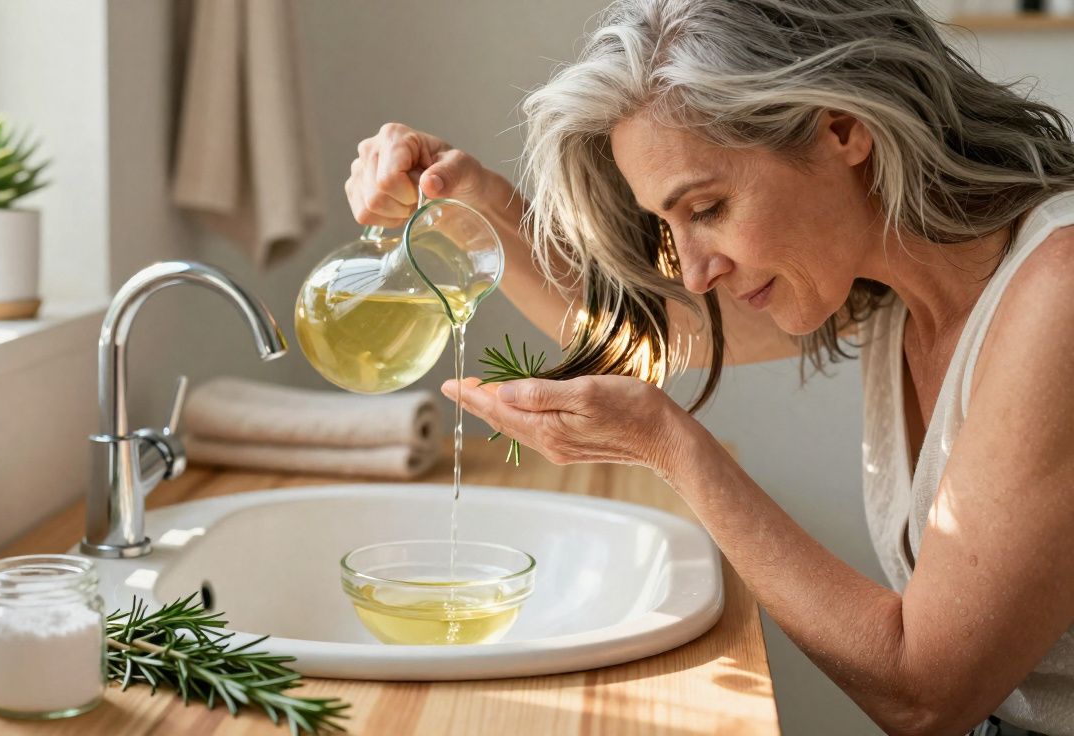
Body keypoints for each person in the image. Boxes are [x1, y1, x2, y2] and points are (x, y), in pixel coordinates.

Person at [345, 1, 1074, 734]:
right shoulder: (889, 285)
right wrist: (468, 199)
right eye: (668, 224)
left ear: (843, 130)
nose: (691, 271)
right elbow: (646, 325)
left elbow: (926, 693)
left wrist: (672, 447)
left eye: (708, 207)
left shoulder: (1059, 294)